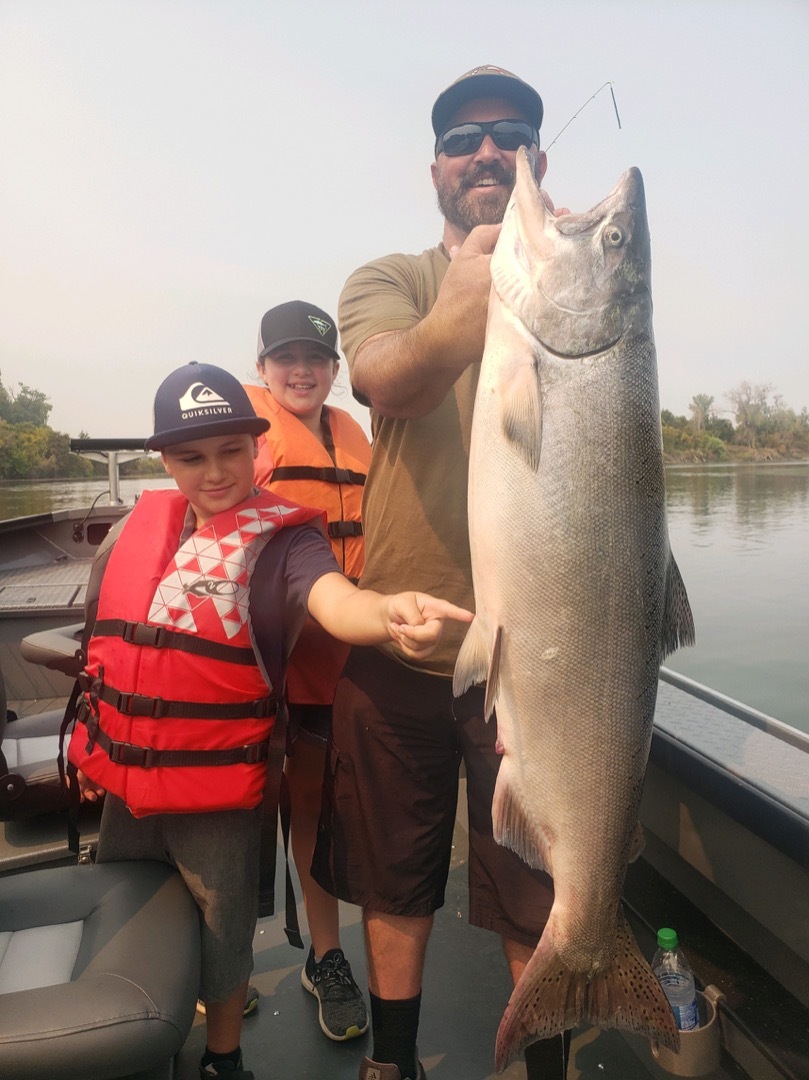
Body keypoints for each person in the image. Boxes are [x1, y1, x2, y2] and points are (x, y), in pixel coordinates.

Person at [67, 361, 471, 1080]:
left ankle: (224, 1059)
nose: (215, 472)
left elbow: (334, 599)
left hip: (212, 795)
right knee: (129, 921)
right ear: (164, 459)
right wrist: (93, 750)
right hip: (125, 789)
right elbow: (104, 649)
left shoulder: (287, 543)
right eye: (192, 457)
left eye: (232, 451)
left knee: (222, 939)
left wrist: (384, 613)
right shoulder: (134, 531)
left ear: (259, 449)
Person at [311, 66, 570, 1080]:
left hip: (535, 659)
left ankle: (538, 1065)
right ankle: (394, 1061)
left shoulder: (573, 287)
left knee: (533, 889)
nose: (486, 153)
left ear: (536, 162)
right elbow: (392, 380)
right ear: (434, 169)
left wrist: (520, 264)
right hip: (398, 639)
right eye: (463, 141)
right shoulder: (392, 277)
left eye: (508, 136)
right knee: (392, 878)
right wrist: (472, 276)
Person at [244, 300, 372, 1041]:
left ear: (333, 370)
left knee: (318, 815)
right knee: (235, 821)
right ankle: (220, 963)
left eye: (316, 359)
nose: (301, 370)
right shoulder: (244, 439)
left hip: (340, 663)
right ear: (260, 368)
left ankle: (325, 957)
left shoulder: (356, 437)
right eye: (285, 358)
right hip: (261, 668)